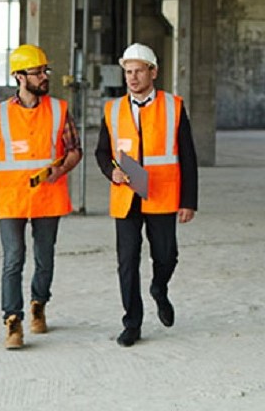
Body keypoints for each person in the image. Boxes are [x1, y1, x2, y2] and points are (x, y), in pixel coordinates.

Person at [0, 44, 83, 349]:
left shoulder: (59, 110)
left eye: (44, 71)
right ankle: (13, 321)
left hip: (48, 196)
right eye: (37, 72)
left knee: (44, 257)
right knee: (13, 259)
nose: (44, 76)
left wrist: (61, 170)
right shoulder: (1, 115)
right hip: (11, 198)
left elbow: (75, 150)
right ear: (20, 77)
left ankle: (39, 303)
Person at [94, 42, 198, 347]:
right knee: (127, 262)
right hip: (126, 195)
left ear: (153, 72)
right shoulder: (112, 109)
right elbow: (102, 152)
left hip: (162, 194)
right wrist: (110, 171)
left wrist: (188, 201)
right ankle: (132, 323)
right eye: (128, 72)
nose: (133, 78)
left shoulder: (173, 106)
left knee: (166, 256)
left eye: (139, 71)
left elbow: (188, 157)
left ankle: (159, 288)